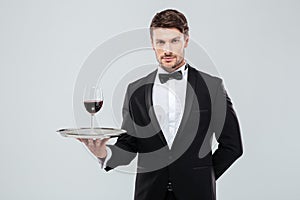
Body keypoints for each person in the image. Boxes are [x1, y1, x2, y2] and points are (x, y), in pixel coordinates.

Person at [78, 9, 243, 200]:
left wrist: (204, 176)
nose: (167, 49)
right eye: (161, 42)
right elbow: (129, 146)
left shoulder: (212, 87)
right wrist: (104, 153)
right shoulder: (136, 90)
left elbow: (233, 146)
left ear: (186, 41)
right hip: (149, 194)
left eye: (174, 41)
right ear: (152, 44)